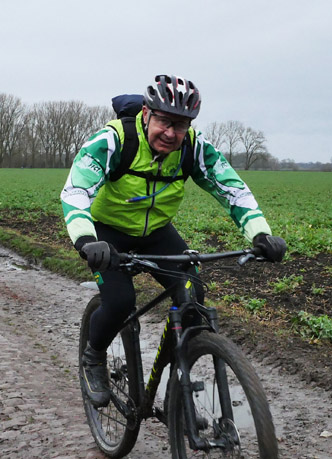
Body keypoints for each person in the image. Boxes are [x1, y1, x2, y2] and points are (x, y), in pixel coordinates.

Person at [61, 74, 286, 409]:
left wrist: (260, 233)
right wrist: (85, 239)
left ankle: (177, 376)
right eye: (164, 121)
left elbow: (232, 189)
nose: (171, 133)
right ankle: (93, 357)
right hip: (107, 233)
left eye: (180, 125)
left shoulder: (192, 147)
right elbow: (77, 189)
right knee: (120, 301)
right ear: (146, 114)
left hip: (156, 232)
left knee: (192, 293)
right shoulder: (114, 140)